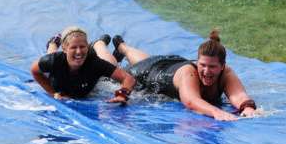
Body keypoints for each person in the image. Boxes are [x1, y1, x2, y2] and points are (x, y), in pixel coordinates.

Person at [104, 30, 257, 121]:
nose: (206, 71)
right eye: (202, 65)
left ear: (222, 66)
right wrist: (216, 112)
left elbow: (239, 96)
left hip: (166, 65)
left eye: (212, 67)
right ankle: (100, 45)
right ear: (197, 62)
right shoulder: (189, 73)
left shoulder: (227, 73)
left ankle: (122, 46)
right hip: (150, 74)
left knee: (147, 60)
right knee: (111, 70)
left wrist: (247, 107)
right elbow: (191, 101)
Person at [31, 27, 135, 103]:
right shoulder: (54, 60)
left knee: (110, 62)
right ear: (64, 49)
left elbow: (128, 78)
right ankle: (53, 43)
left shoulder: (94, 63)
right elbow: (34, 70)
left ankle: (99, 43)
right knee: (51, 58)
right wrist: (53, 93)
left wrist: (122, 94)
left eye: (82, 46)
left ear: (87, 47)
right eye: (73, 47)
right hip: (59, 60)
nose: (79, 51)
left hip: (91, 63)